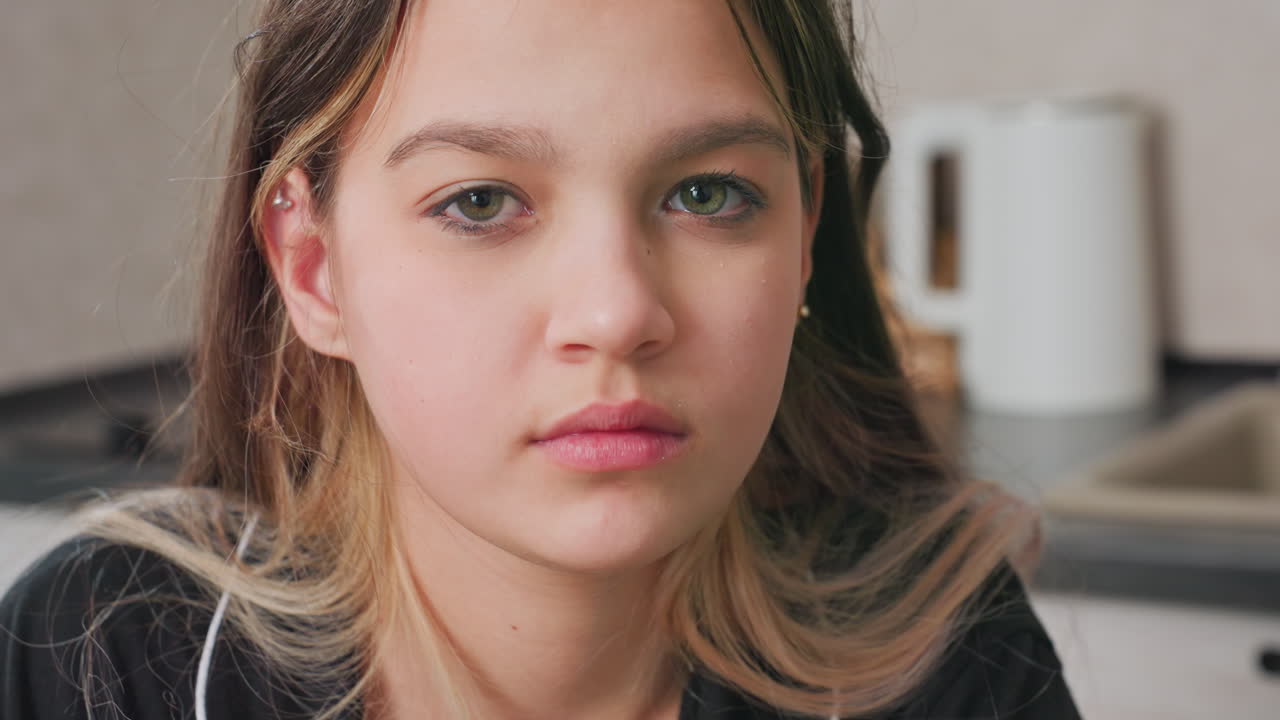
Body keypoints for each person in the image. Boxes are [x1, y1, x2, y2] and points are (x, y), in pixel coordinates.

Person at [0, 1, 1082, 718]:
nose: (616, 314)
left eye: (707, 193)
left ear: (803, 234)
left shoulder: (942, 664)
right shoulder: (104, 664)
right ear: (314, 268)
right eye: (479, 202)